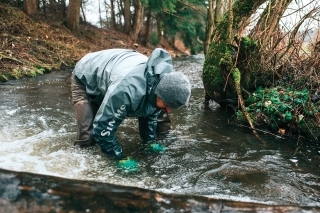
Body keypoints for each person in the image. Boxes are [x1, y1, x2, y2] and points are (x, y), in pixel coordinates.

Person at [71, 48, 191, 160]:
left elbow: (150, 114)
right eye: (167, 104)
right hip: (86, 75)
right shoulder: (127, 91)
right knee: (88, 137)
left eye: (172, 107)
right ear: (158, 93)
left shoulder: (161, 85)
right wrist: (119, 157)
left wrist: (149, 142)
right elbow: (103, 129)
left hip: (117, 71)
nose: (168, 110)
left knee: (156, 111)